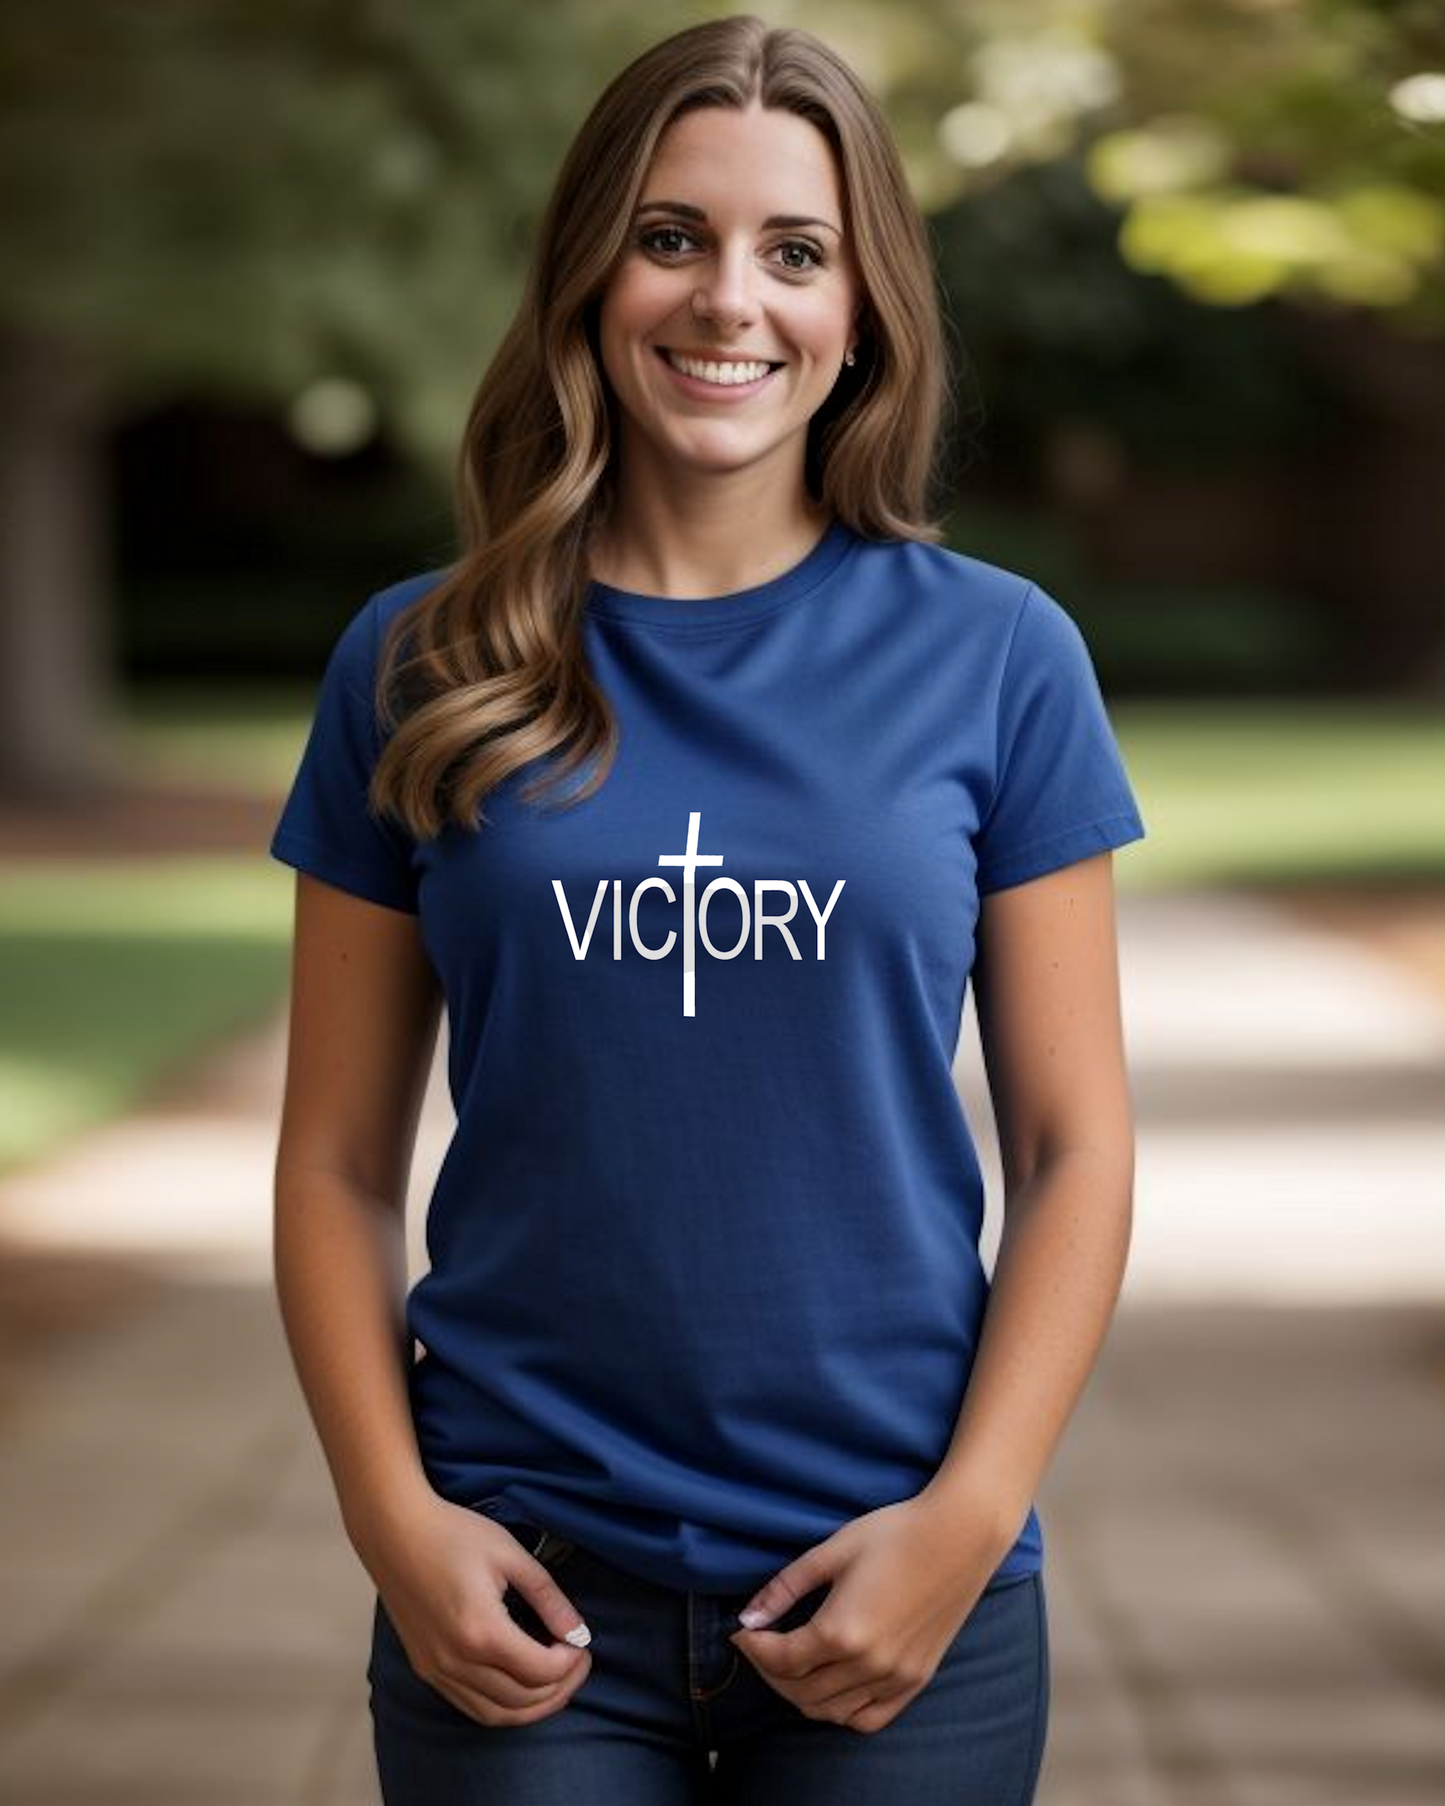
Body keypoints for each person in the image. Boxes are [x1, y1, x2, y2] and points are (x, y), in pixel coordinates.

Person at [268, 13, 1146, 1804]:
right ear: (594, 272)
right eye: (672, 236)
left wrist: (965, 1523)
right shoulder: (419, 660)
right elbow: (336, 1161)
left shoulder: (1000, 657)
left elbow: (1078, 1143)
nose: (727, 300)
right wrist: (391, 1518)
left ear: (863, 303)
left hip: (895, 1580)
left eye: (794, 251)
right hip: (523, 1595)